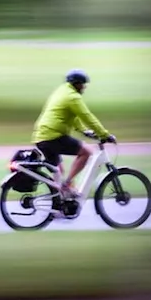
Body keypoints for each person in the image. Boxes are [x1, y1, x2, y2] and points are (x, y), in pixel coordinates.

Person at [32, 69, 115, 201]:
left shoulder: (62, 91)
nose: (84, 87)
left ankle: (59, 203)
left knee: (58, 171)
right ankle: (66, 185)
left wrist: (83, 130)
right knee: (86, 152)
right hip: (53, 136)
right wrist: (104, 134)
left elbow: (72, 115)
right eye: (83, 84)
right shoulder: (73, 97)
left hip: (41, 137)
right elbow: (87, 117)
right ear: (76, 84)